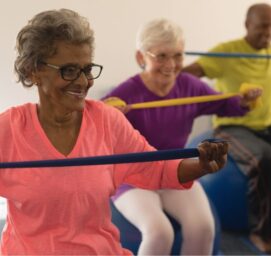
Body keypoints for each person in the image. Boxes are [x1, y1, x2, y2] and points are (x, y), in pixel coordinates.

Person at [0, 9, 231, 255]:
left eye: (87, 69)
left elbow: (155, 169)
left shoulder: (106, 121)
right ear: (33, 71)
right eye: (68, 70)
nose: (82, 82)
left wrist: (203, 165)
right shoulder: (9, 130)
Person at [103, 18, 261, 255]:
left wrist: (245, 100)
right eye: (161, 56)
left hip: (176, 171)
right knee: (159, 232)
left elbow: (226, 104)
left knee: (203, 227)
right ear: (140, 58)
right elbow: (93, 128)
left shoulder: (190, 86)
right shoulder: (125, 94)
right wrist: (108, 116)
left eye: (178, 55)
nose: (171, 64)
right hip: (133, 178)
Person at [183, 3, 271, 255]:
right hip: (232, 125)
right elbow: (187, 76)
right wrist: (164, 66)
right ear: (247, 25)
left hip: (269, 126)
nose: (268, 32)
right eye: (262, 26)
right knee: (264, 158)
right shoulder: (227, 52)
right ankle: (261, 234)